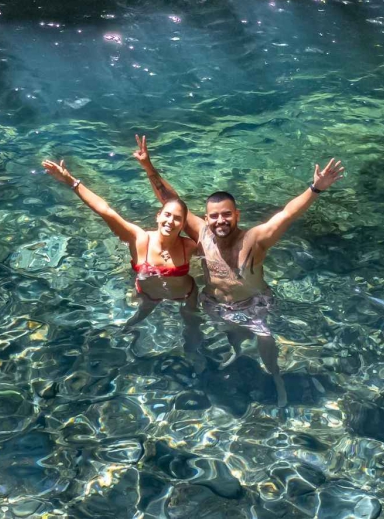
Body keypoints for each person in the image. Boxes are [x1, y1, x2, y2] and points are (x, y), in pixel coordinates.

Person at [132, 134, 344, 407]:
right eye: (215, 216)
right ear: (207, 218)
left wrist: (315, 189)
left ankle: (276, 377)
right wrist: (148, 167)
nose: (221, 220)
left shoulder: (255, 239)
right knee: (231, 332)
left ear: (237, 215)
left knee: (265, 338)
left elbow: (287, 214)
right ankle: (234, 349)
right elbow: (172, 200)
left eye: (227, 214)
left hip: (254, 303)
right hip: (216, 303)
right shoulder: (202, 234)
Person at [40, 158, 203, 355]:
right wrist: (71, 181)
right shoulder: (139, 240)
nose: (171, 221)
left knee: (193, 326)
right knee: (132, 322)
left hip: (186, 294)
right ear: (158, 216)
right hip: (148, 294)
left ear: (184, 223)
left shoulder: (190, 246)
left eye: (178, 218)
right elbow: (106, 210)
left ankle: (195, 350)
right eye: (167, 215)